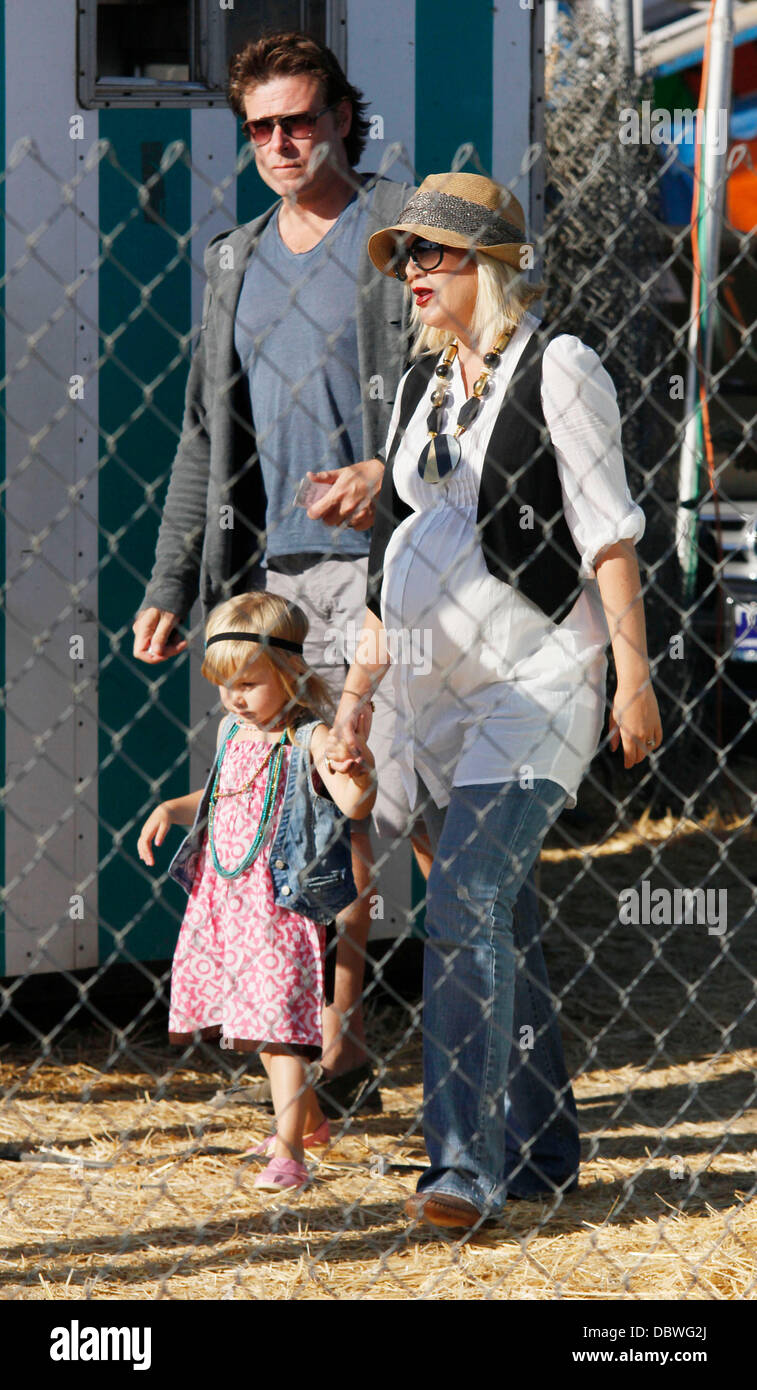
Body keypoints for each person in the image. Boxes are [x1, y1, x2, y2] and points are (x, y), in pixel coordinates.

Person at [328, 172, 663, 1229]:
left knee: (463, 895)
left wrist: (634, 675)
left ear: (492, 265)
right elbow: (395, 555)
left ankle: (461, 1162)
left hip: (538, 686)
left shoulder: (559, 366)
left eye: (435, 254)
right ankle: (544, 1145)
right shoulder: (426, 391)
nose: (414, 273)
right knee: (496, 915)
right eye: (407, 258)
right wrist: (354, 702)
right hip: (431, 703)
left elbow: (606, 529)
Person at [131, 30, 431, 1106]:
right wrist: (173, 585)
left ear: (343, 115)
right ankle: (336, 1050)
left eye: (299, 119)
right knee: (306, 825)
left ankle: (487, 1045)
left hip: (401, 570)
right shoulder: (235, 258)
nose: (280, 142)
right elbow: (204, 437)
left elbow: (481, 395)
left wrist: (390, 469)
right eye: (259, 127)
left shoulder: (404, 231)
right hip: (276, 587)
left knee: (412, 812)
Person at [137, 592, 376, 1192]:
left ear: (291, 674)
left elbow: (351, 804)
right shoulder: (232, 730)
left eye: (248, 682)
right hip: (228, 902)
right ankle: (313, 1123)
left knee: (277, 1034)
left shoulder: (309, 738)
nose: (235, 697)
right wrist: (173, 805)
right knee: (252, 1024)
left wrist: (357, 776)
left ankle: (291, 1154)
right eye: (225, 685)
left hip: (278, 909)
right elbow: (224, 795)